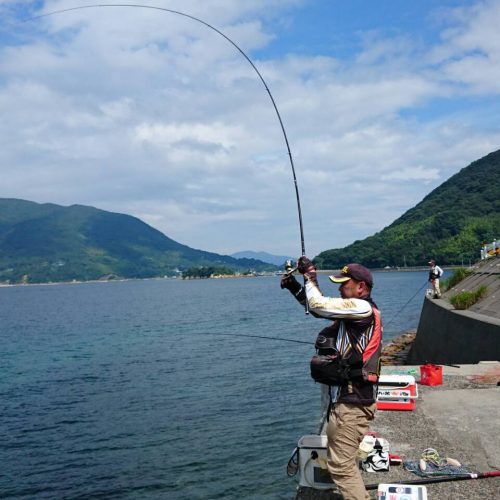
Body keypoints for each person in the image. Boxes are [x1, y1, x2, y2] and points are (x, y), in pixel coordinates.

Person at [281, 258, 382, 500]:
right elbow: (318, 308)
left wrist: (310, 274)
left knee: (342, 467)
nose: (340, 288)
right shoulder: (354, 312)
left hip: (353, 402)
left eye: (344, 284)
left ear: (361, 287)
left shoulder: (362, 308)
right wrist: (296, 286)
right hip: (348, 399)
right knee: (342, 463)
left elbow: (318, 303)